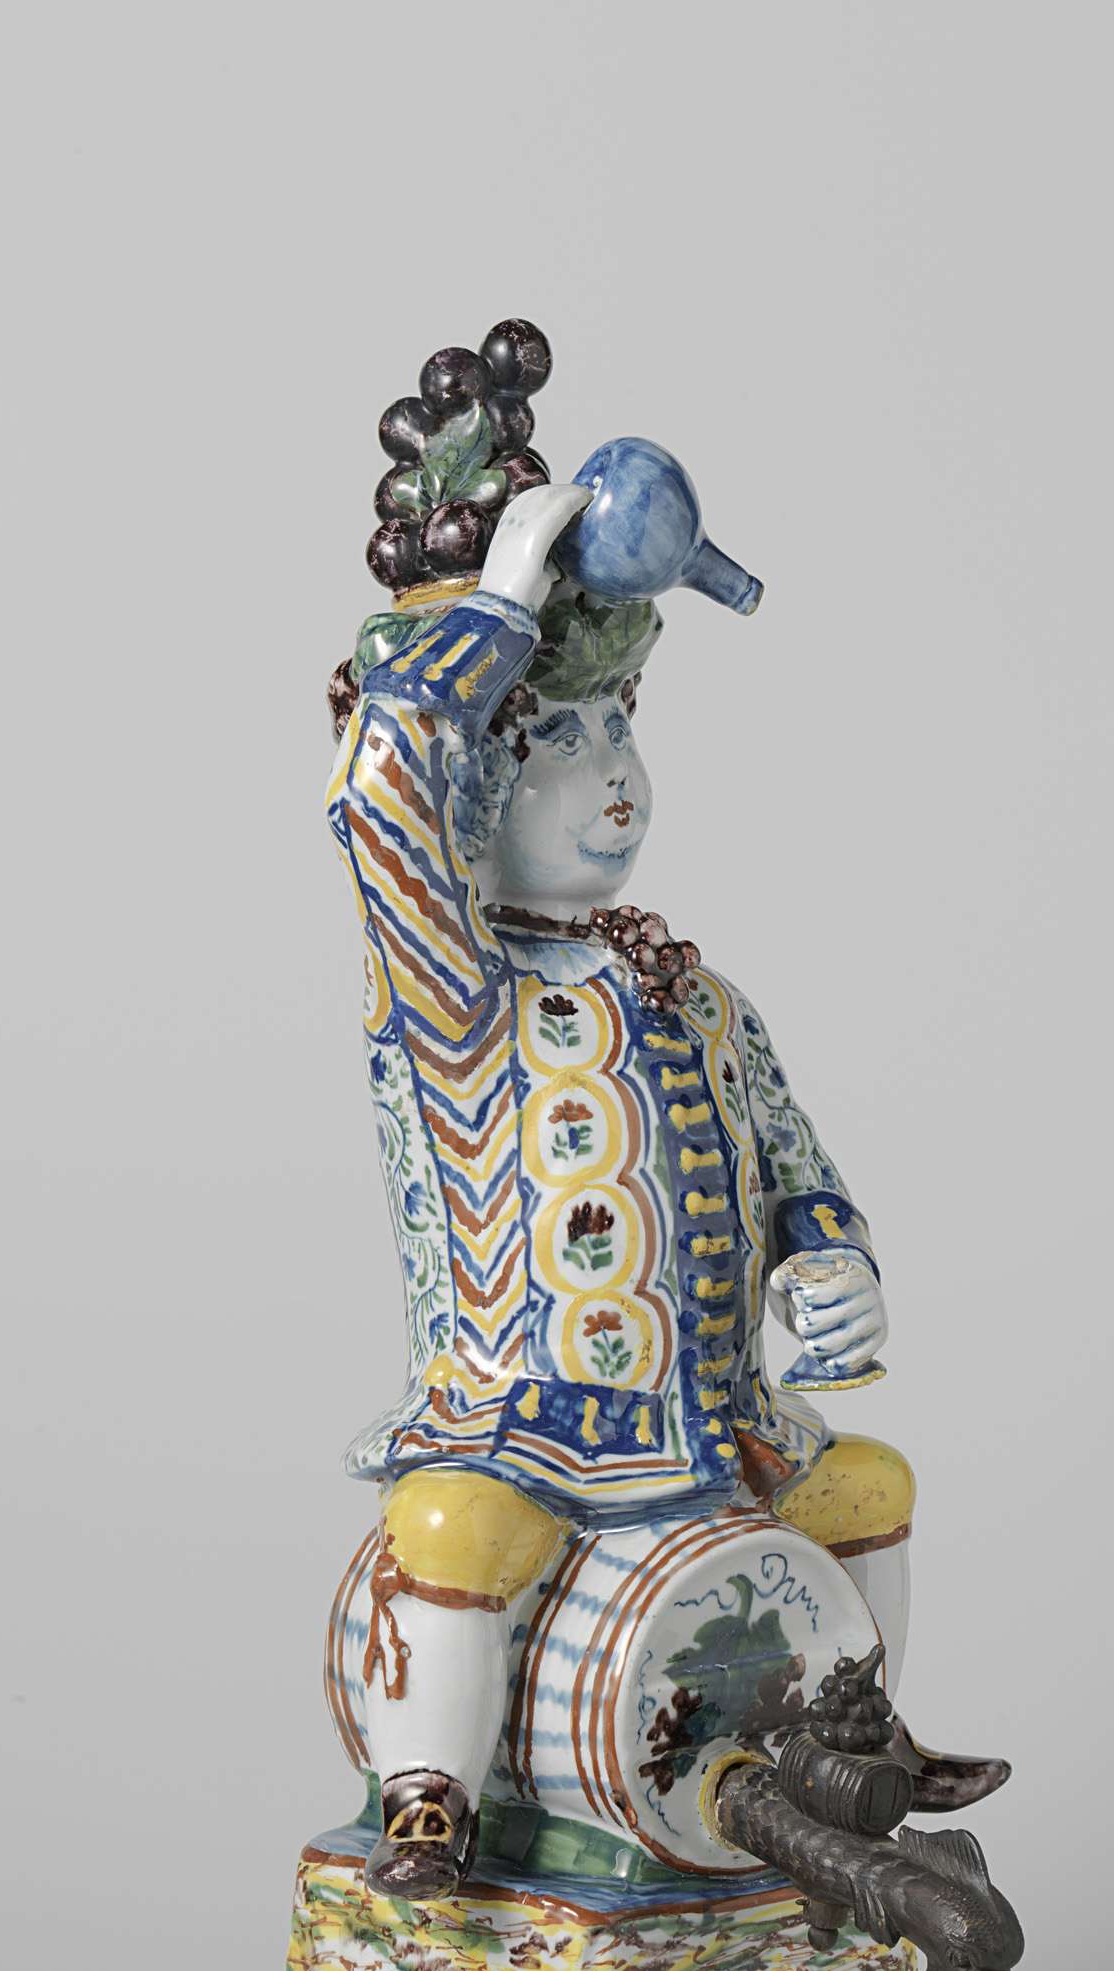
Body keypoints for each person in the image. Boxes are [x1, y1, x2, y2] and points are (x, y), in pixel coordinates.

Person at [326, 484, 914, 1897]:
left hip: (720, 1433)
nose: (613, 780)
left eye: (618, 730)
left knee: (872, 1485)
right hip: (529, 1430)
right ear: (476, 790)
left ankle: (867, 1741)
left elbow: (800, 1173)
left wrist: (834, 1266)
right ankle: (428, 1802)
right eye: (555, 745)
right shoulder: (455, 994)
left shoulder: (697, 996)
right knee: (452, 1531)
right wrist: (501, 607)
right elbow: (377, 799)